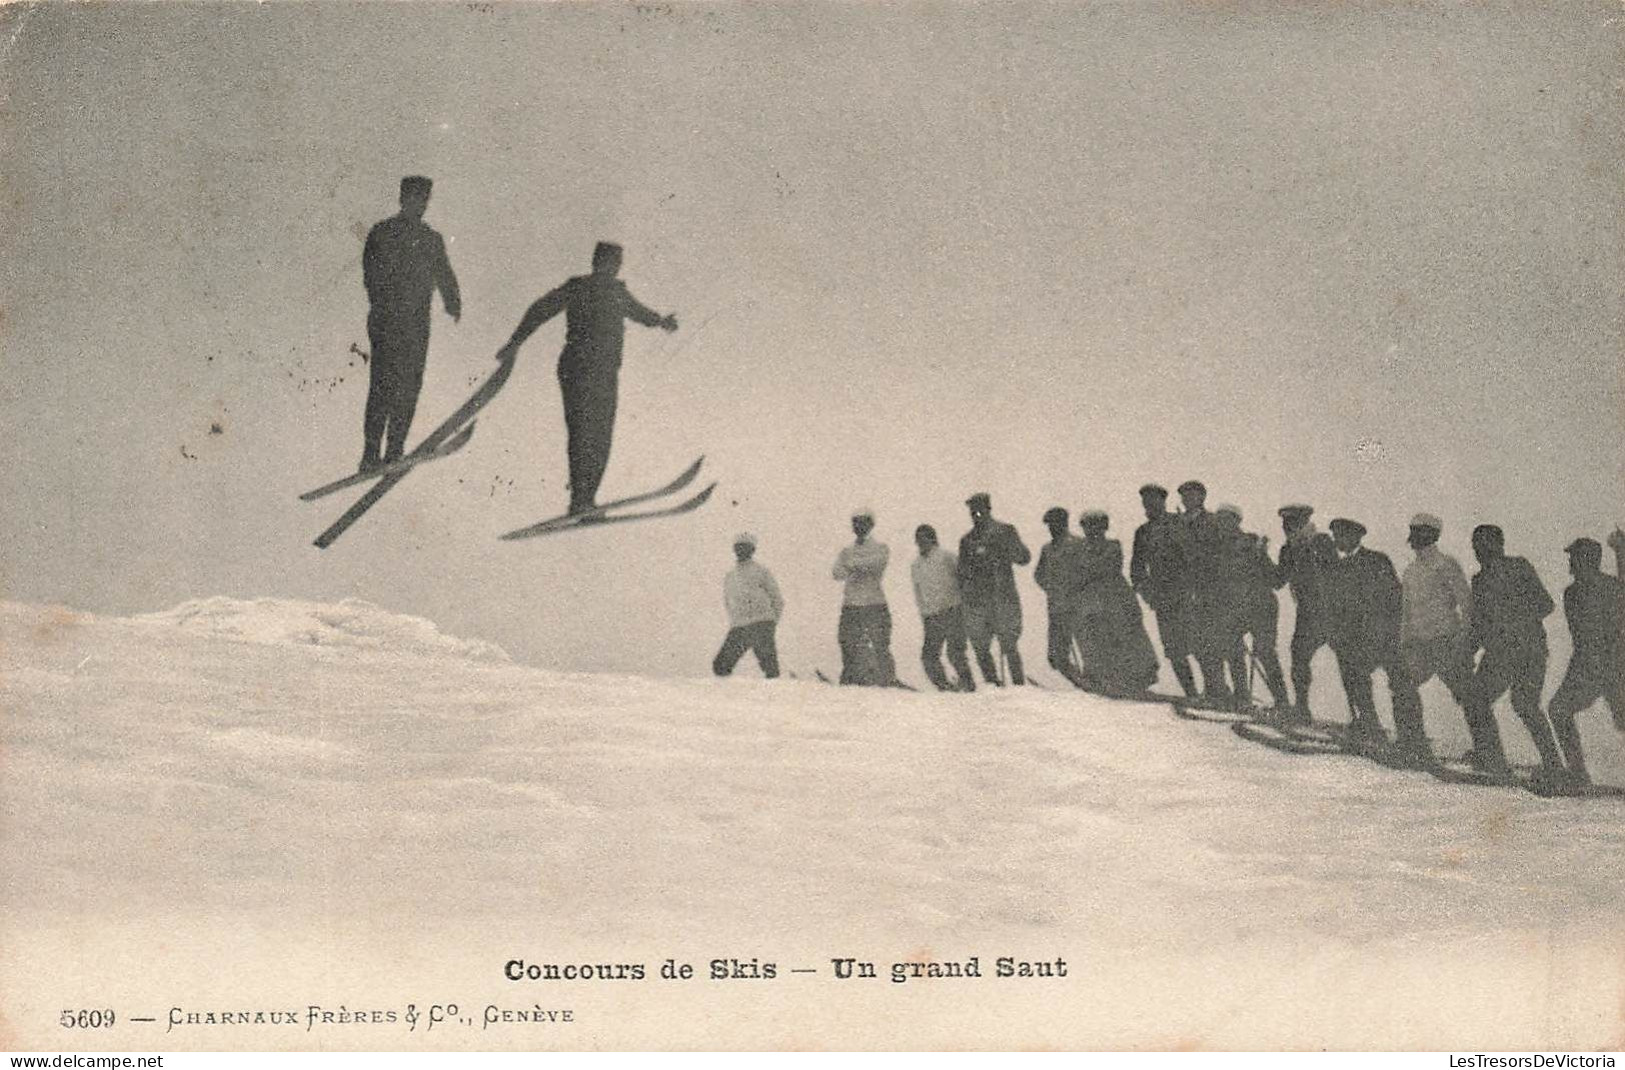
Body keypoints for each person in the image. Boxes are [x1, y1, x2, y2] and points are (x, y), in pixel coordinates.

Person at [496, 242, 678, 515]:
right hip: (578, 370)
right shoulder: (579, 287)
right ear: (598, 262)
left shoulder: (617, 293)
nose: (613, 268)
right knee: (584, 433)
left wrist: (662, 321)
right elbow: (541, 309)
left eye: (616, 264)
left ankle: (586, 500)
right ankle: (581, 498)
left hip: (603, 372)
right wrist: (515, 341)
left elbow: (642, 314)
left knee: (599, 435)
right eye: (610, 263)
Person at [360, 175, 461, 471]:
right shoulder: (382, 232)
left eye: (424, 200)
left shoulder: (431, 239)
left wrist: (453, 302)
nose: (419, 205)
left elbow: (444, 274)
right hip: (387, 321)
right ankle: (370, 453)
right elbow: (370, 273)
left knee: (409, 386)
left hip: (416, 324)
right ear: (402, 199)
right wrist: (384, 302)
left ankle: (395, 449)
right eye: (414, 199)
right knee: (383, 384)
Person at [1461, 524, 1567, 782]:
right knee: (1480, 699)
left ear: (1498, 545)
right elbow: (1479, 624)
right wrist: (1467, 651)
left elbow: (1545, 604)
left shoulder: (1518, 567)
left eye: (1483, 545)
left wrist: (1509, 624)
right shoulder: (1480, 580)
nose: (1478, 551)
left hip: (1524, 651)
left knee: (1521, 704)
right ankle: (1492, 756)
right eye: (1476, 545)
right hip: (1506, 652)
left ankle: (1551, 766)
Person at [1324, 518, 1427, 755]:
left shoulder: (1377, 560)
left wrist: (1391, 630)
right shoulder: (1338, 568)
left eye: (1341, 535)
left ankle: (1413, 738)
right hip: (1358, 640)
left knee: (1401, 683)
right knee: (1355, 677)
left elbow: (1395, 597)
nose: (1337, 540)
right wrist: (1336, 634)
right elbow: (1336, 605)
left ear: (1355, 537)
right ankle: (1370, 725)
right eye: (1335, 536)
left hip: (1385, 636)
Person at [1546, 531, 1625, 783]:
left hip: (1594, 664)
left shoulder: (1575, 593)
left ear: (1585, 560)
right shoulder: (1607, 587)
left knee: (1559, 710)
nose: (1570, 563)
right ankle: (1578, 772)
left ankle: (1578, 773)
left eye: (1574, 558)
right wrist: (1620, 551)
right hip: (1609, 662)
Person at [1398, 512, 1474, 761]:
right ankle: (1413, 743)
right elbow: (1406, 613)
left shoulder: (1446, 565)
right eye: (1414, 532)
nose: (1416, 538)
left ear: (1433, 535)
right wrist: (1404, 642)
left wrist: (1462, 639)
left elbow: (1466, 603)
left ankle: (1489, 752)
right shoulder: (1410, 572)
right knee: (1402, 685)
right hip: (1419, 645)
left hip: (1445, 642)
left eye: (1421, 533)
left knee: (1467, 694)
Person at [1212, 505, 1290, 709]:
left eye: (1227, 520)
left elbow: (1274, 578)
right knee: (1231, 648)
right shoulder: (1218, 548)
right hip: (1236, 608)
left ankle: (1282, 701)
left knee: (1265, 652)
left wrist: (1261, 554)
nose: (1222, 524)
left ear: (1237, 521)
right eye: (1219, 520)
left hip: (1260, 607)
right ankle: (1242, 696)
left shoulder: (1250, 543)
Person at [1074, 510, 1160, 695]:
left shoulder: (1113, 546)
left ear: (1104, 527)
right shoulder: (1078, 549)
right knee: (1096, 637)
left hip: (1116, 598)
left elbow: (1105, 567)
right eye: (1088, 525)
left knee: (1126, 638)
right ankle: (1103, 679)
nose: (1092, 530)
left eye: (1097, 525)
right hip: (1091, 601)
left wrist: (1085, 571)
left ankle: (1133, 681)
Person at [957, 492, 1032, 686]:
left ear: (988, 509)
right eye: (973, 511)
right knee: (981, 647)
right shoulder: (967, 540)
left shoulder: (1005, 531)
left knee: (1008, 644)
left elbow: (1024, 557)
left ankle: (1018, 686)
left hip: (1003, 596)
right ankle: (993, 686)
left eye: (979, 510)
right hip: (979, 601)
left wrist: (1004, 550)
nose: (976, 514)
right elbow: (962, 572)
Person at [1273, 504, 1339, 724]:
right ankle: (1301, 708)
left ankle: (1367, 719)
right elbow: (1277, 580)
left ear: (1303, 522)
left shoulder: (1321, 541)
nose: (1286, 527)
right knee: (1299, 657)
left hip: (1332, 611)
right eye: (1285, 524)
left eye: (1291, 523)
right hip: (1307, 613)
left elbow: (1335, 571)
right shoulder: (1288, 549)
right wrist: (1258, 557)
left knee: (1349, 661)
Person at [1131, 484, 1197, 698]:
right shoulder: (1143, 532)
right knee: (1174, 650)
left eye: (1153, 501)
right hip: (1163, 598)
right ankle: (1192, 694)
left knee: (1199, 644)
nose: (1149, 506)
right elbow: (1137, 569)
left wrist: (1195, 587)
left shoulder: (1180, 523)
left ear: (1163, 501)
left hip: (1187, 594)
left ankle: (1216, 691)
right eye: (1146, 502)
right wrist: (1147, 592)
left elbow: (1196, 557)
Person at [1176, 480, 1231, 702]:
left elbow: (1219, 553)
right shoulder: (1179, 523)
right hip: (1187, 591)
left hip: (1210, 590)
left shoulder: (1212, 522)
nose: (1187, 500)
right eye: (1184, 496)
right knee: (1195, 642)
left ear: (1202, 498)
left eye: (1192, 495)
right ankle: (1214, 689)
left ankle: (1217, 690)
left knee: (1211, 642)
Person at [832, 508, 898, 686]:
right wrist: (859, 567)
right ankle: (850, 680)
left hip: (874, 603)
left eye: (862, 522)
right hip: (851, 604)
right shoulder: (847, 550)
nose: (858, 526)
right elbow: (836, 572)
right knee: (847, 643)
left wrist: (852, 566)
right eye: (855, 522)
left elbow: (877, 565)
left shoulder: (880, 547)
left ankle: (886, 679)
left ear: (870, 525)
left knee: (879, 644)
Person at [910, 524, 975, 692]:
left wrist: (964, 602)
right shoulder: (916, 565)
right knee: (929, 657)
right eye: (918, 539)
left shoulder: (946, 556)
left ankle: (968, 683)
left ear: (932, 538)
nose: (921, 542)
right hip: (931, 616)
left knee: (955, 653)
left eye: (924, 538)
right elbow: (917, 590)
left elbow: (964, 576)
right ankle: (944, 686)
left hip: (953, 610)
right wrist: (923, 611)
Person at [1033, 507, 1091, 689]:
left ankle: (1096, 682)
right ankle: (1082, 683)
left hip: (1079, 607)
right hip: (1057, 608)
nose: (1051, 528)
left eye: (1055, 524)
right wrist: (1052, 589)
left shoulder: (1079, 544)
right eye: (1049, 525)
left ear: (1064, 523)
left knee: (1088, 649)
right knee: (1056, 656)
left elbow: (1089, 572)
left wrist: (1075, 588)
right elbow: (1039, 575)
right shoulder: (1047, 549)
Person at [713, 533, 784, 679]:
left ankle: (776, 696)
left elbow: (777, 598)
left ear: (752, 550)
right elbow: (728, 601)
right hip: (739, 626)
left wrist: (770, 621)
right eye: (738, 547)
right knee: (721, 665)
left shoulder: (761, 571)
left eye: (746, 547)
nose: (741, 550)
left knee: (769, 666)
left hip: (761, 622)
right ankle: (726, 696)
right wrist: (735, 621)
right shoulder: (730, 576)